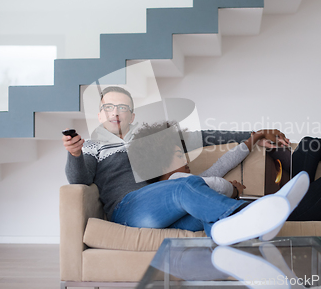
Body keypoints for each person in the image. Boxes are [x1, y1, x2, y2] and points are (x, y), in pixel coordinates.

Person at [63, 86, 300, 245]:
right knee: (185, 186)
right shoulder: (92, 146)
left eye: (122, 108)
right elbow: (79, 180)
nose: (115, 113)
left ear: (132, 116)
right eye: (109, 107)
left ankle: (253, 235)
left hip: (162, 210)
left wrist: (254, 135)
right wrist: (74, 154)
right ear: (100, 115)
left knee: (207, 215)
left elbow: (202, 136)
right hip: (128, 210)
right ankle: (252, 214)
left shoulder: (146, 138)